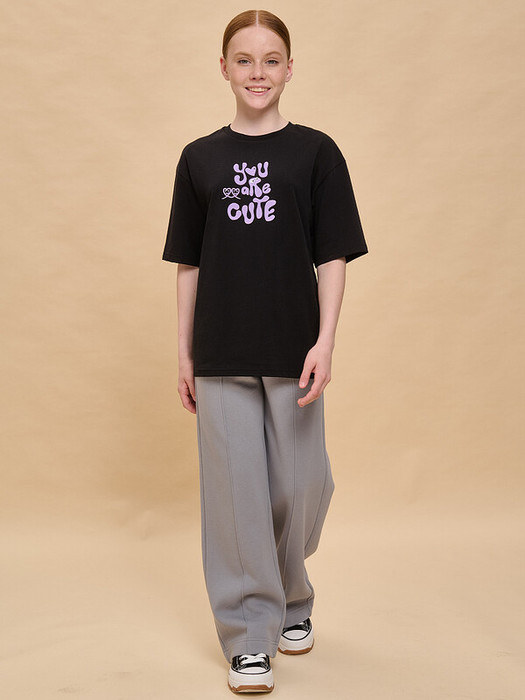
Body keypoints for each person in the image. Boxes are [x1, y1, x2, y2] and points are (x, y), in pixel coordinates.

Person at [162, 9, 368, 694]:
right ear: (223, 68)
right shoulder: (198, 158)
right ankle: (250, 637)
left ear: (289, 68)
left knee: (300, 487)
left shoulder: (316, 153)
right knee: (236, 498)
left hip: (292, 349)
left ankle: (290, 591)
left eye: (271, 59)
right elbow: (188, 263)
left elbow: (332, 255)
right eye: (244, 60)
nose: (258, 72)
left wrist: (325, 341)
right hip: (220, 352)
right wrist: (184, 354)